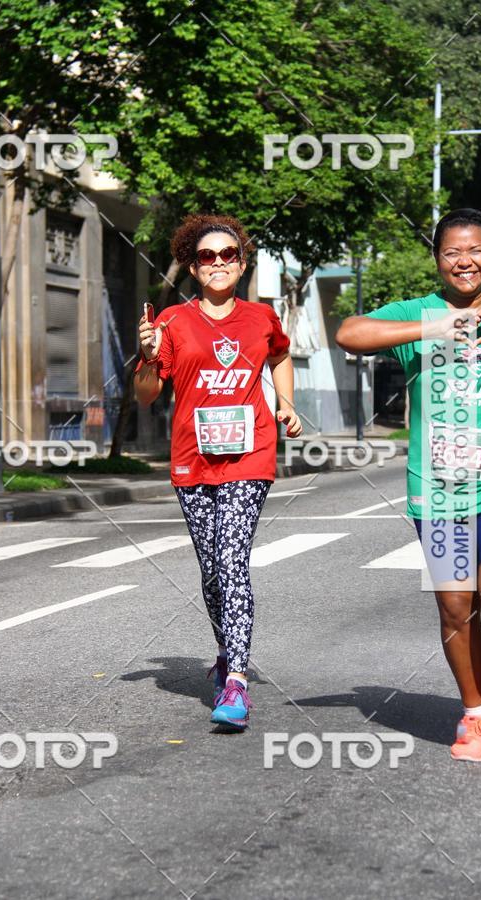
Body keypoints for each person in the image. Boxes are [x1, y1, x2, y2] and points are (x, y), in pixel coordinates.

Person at [134, 213, 302, 730]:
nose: (218, 263)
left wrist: (287, 404)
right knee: (212, 572)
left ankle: (236, 679)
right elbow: (146, 397)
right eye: (207, 257)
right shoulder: (170, 323)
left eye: (228, 255)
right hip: (192, 459)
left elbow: (279, 358)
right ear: (192, 266)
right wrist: (145, 359)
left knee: (232, 562)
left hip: (250, 455)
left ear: (242, 262)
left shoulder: (261, 318)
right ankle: (225, 653)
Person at [336, 207, 481, 762]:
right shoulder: (419, 313)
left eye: (475, 250)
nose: (464, 261)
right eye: (452, 252)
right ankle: (476, 713)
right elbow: (350, 333)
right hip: (441, 489)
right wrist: (437, 326)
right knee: (456, 607)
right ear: (438, 260)